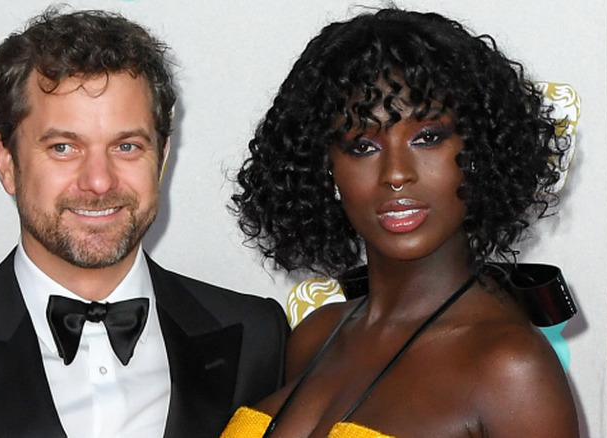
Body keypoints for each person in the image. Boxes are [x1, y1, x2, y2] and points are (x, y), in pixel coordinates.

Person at [0, 7, 288, 438]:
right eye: (64, 147)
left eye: (127, 147)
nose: (99, 182)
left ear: (161, 159)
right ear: (5, 161)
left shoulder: (256, 337)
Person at [222, 7, 579, 438]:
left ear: (481, 153)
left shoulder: (511, 369)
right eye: (362, 145)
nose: (395, 172)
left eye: (427, 137)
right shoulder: (314, 336)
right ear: (324, 169)